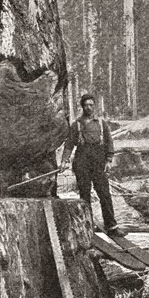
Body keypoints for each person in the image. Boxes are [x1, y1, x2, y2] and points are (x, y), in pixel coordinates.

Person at [60, 94, 126, 237]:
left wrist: (109, 160)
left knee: (104, 194)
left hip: (98, 162)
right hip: (82, 161)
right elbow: (69, 144)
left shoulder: (102, 123)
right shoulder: (76, 124)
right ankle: (88, 227)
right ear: (82, 107)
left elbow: (109, 142)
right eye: (86, 105)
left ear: (94, 106)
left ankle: (112, 227)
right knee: (84, 196)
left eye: (91, 105)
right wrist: (64, 160)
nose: (88, 108)